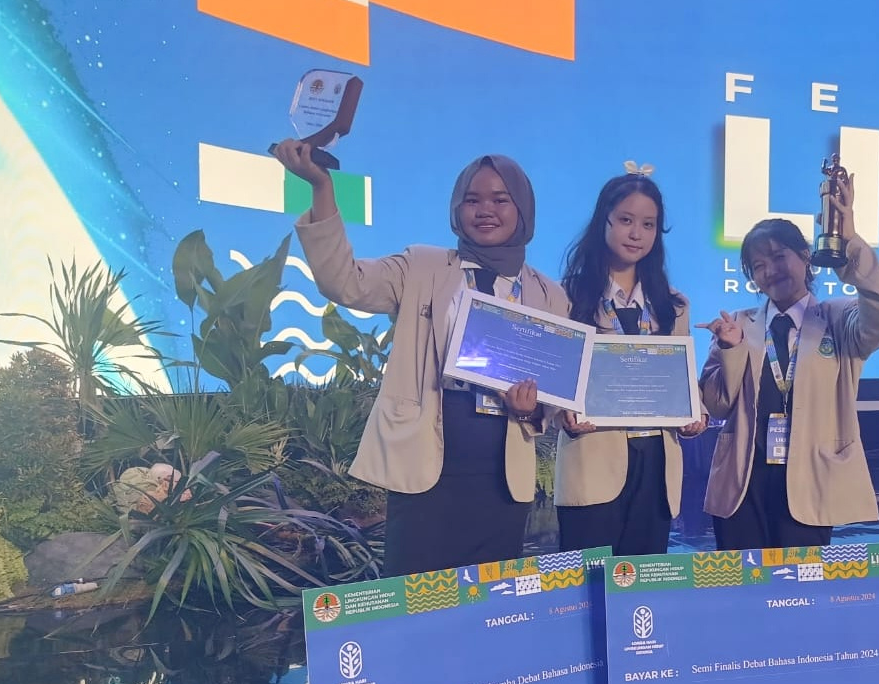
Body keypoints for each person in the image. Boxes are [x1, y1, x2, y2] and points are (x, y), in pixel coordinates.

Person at [273, 140, 569, 576]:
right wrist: (321, 188)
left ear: (523, 208)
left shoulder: (550, 295)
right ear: (456, 208)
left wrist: (532, 410)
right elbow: (344, 282)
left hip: (503, 476)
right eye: (472, 199)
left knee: (490, 601)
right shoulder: (421, 266)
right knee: (416, 598)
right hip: (425, 465)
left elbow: (555, 394)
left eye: (500, 200)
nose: (485, 210)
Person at [697, 175, 879, 550]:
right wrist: (730, 349)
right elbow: (716, 405)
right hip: (743, 486)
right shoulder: (737, 325)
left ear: (805, 256)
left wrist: (849, 243)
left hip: (810, 483)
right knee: (740, 585)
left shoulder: (839, 319)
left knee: (800, 583)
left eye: (779, 257)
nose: (770, 270)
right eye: (758, 265)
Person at [554, 168, 707, 556]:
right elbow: (554, 377)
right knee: (586, 582)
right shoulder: (566, 297)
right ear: (603, 221)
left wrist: (697, 413)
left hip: (656, 463)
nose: (636, 233)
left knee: (643, 582)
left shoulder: (673, 305)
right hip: (592, 458)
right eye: (625, 220)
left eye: (648, 224)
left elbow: (683, 381)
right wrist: (562, 412)